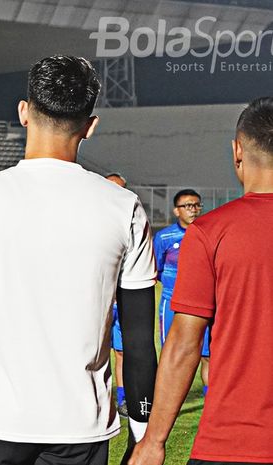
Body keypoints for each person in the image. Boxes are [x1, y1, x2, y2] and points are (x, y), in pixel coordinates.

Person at [0, 55, 158, 465]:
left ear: (24, 112)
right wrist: (142, 434)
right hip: (80, 431)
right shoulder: (125, 207)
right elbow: (138, 339)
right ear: (91, 125)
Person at [129, 97, 273, 464]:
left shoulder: (210, 231)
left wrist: (153, 441)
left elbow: (183, 343)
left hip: (233, 442)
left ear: (237, 150)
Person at [153, 189, 210, 395]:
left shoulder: (208, 233)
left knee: (208, 355)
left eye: (196, 205)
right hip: (173, 301)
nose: (193, 210)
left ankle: (209, 398)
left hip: (204, 302)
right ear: (177, 211)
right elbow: (156, 268)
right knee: (172, 352)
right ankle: (167, 398)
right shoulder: (165, 237)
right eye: (187, 206)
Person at [105, 171, 129, 417]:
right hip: (95, 303)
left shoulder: (133, 224)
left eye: (121, 188)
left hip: (121, 302)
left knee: (122, 352)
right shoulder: (88, 221)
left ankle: (122, 399)